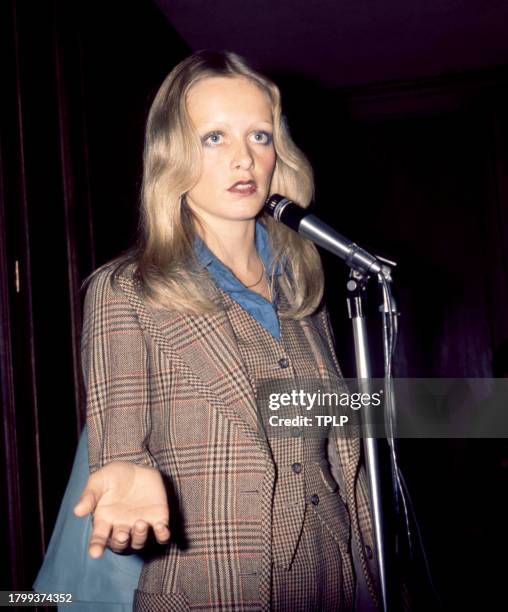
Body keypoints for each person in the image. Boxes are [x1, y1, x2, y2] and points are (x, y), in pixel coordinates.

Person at [35, 50, 380, 611]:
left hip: (334, 580)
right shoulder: (125, 291)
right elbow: (118, 445)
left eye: (260, 136)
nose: (243, 158)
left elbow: (327, 435)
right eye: (213, 137)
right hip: (211, 592)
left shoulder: (303, 294)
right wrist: (125, 472)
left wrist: (469, 411)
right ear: (174, 154)